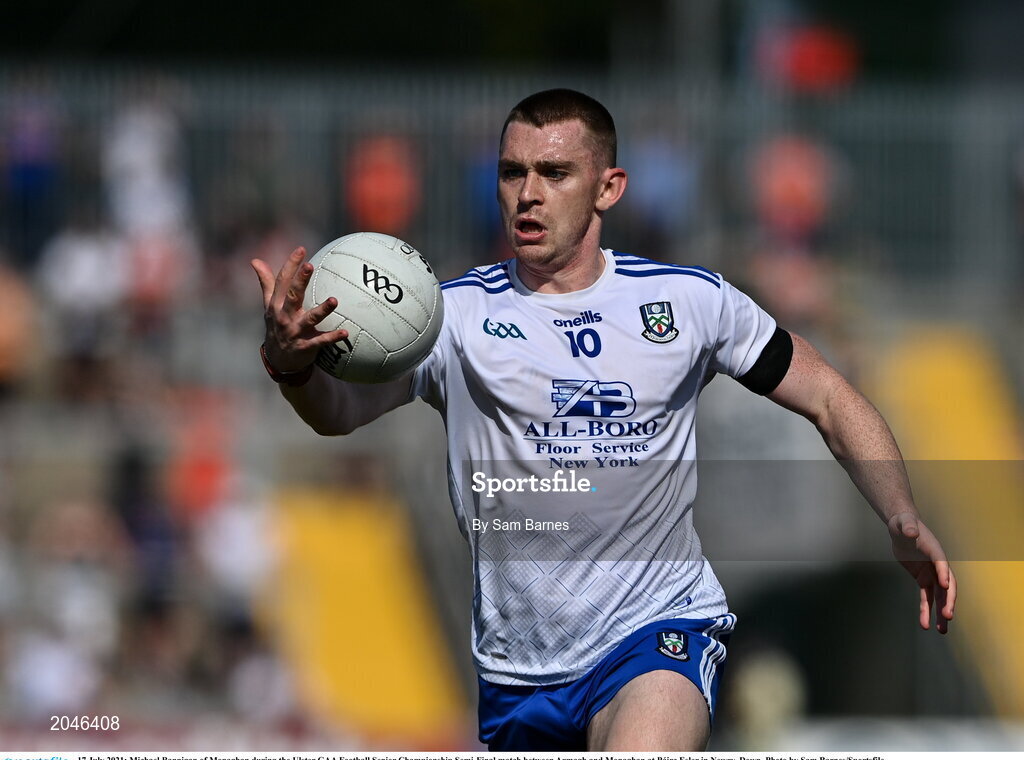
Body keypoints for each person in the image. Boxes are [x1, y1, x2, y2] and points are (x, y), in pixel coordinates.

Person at [252, 89, 956, 752]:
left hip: (657, 631)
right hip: (518, 673)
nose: (527, 194)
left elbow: (830, 396)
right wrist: (291, 366)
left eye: (554, 173)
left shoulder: (689, 303)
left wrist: (899, 512)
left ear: (608, 188)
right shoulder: (450, 316)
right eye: (511, 172)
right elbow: (335, 416)